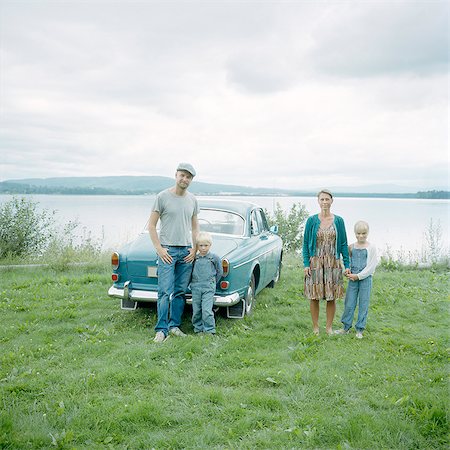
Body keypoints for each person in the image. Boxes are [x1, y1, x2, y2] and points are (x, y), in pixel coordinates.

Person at [148, 163, 199, 343]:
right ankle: (161, 330)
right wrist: (160, 249)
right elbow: (151, 226)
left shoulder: (192, 199)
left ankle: (174, 326)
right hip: (167, 251)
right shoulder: (162, 197)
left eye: (189, 177)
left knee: (180, 292)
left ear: (191, 180)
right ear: (176, 175)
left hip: (186, 252)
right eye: (182, 175)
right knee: (164, 292)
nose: (185, 179)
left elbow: (195, 228)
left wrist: (195, 249)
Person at [303, 189, 350, 335]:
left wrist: (347, 265)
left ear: (331, 201)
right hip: (315, 262)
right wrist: (306, 264)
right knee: (314, 295)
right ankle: (316, 327)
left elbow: (343, 243)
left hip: (333, 262)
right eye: (322, 199)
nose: (324, 202)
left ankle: (329, 328)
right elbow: (305, 244)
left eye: (327, 199)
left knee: (331, 296)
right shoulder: (311, 220)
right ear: (318, 201)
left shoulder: (339, 221)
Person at [335, 220, 378, 339]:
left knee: (363, 303)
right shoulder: (351, 247)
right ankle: (346, 327)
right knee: (349, 303)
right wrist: (346, 270)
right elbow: (346, 261)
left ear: (367, 233)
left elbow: (371, 267)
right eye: (358, 233)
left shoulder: (371, 248)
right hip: (352, 280)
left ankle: (360, 329)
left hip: (365, 279)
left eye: (364, 233)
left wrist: (358, 276)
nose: (361, 236)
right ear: (355, 233)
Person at [190, 231, 223, 335]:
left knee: (207, 310)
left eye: (206, 245)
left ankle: (209, 330)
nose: (203, 248)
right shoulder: (195, 258)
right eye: (201, 245)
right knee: (196, 310)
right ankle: (198, 329)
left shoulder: (214, 258)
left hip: (208, 288)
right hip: (196, 287)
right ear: (197, 246)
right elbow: (190, 272)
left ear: (210, 245)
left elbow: (219, 272)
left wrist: (213, 283)